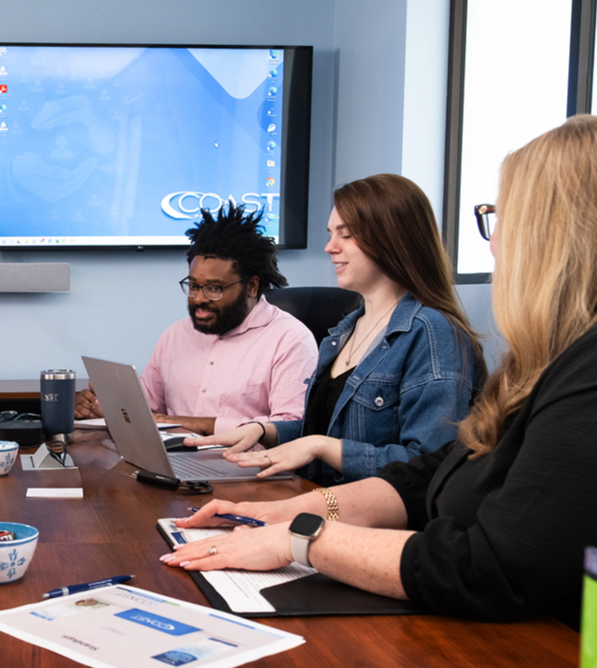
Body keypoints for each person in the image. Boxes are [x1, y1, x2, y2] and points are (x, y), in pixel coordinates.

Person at [164, 115, 597, 629]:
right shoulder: (538, 365)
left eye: (502, 216)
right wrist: (294, 513)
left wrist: (304, 538)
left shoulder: (577, 373)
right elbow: (432, 473)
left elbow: (494, 567)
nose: (494, 241)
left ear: (552, 233)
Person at [189, 175, 484, 484]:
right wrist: (264, 430)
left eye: (345, 235)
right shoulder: (345, 330)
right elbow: (325, 431)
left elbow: (429, 466)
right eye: (331, 234)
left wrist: (321, 447)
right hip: (317, 504)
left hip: (371, 523)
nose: (330, 247)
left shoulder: (433, 333)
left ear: (392, 238)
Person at [74, 204, 317, 436]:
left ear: (251, 286)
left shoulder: (290, 339)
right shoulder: (176, 335)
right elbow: (147, 408)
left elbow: (290, 427)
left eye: (214, 288)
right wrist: (101, 407)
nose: (199, 299)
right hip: (175, 464)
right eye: (193, 286)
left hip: (249, 471)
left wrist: (181, 423)